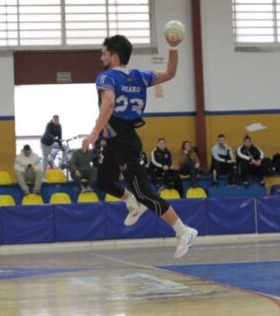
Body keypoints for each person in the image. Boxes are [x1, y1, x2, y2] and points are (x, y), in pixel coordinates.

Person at [82, 33, 198, 258]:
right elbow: (170, 73)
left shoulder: (106, 77)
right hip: (114, 142)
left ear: (114, 57)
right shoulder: (140, 76)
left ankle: (183, 231)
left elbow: (108, 102)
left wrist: (94, 133)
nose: (101, 57)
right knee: (104, 180)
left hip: (125, 142)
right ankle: (132, 201)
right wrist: (172, 48)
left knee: (145, 192)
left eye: (104, 53)